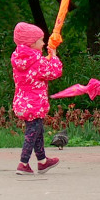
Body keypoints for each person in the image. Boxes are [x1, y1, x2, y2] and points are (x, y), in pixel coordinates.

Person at [11, 22, 63, 174]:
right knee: (32, 133)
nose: (44, 43)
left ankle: (42, 161)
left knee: (37, 130)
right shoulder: (37, 61)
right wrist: (53, 55)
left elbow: (37, 69)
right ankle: (23, 163)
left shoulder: (18, 58)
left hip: (22, 101)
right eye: (41, 40)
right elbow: (54, 72)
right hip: (35, 102)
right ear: (32, 43)